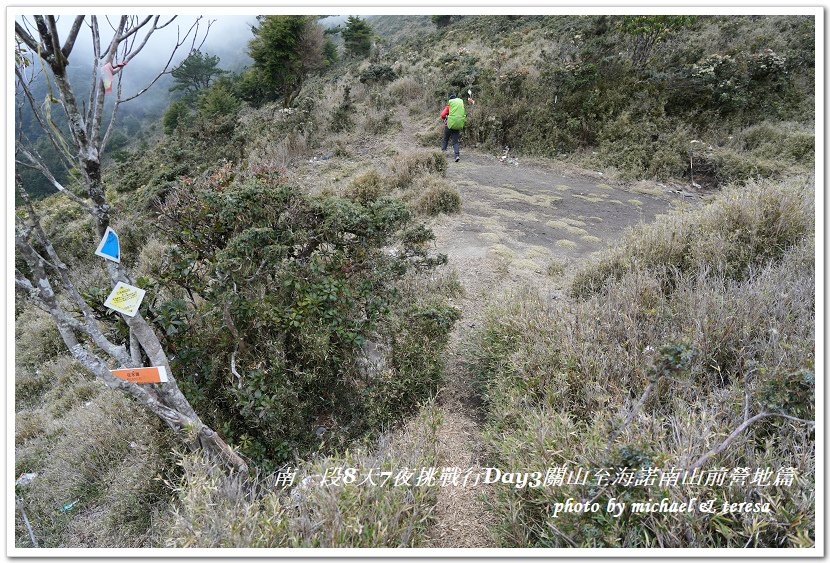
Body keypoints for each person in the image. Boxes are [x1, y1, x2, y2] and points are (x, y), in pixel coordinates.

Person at [440, 93, 474, 162]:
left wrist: (445, 118)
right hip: (457, 126)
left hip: (448, 126)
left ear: (450, 100)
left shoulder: (449, 106)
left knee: (445, 139)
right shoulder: (460, 106)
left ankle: (443, 153)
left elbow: (442, 115)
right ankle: (457, 155)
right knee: (455, 142)